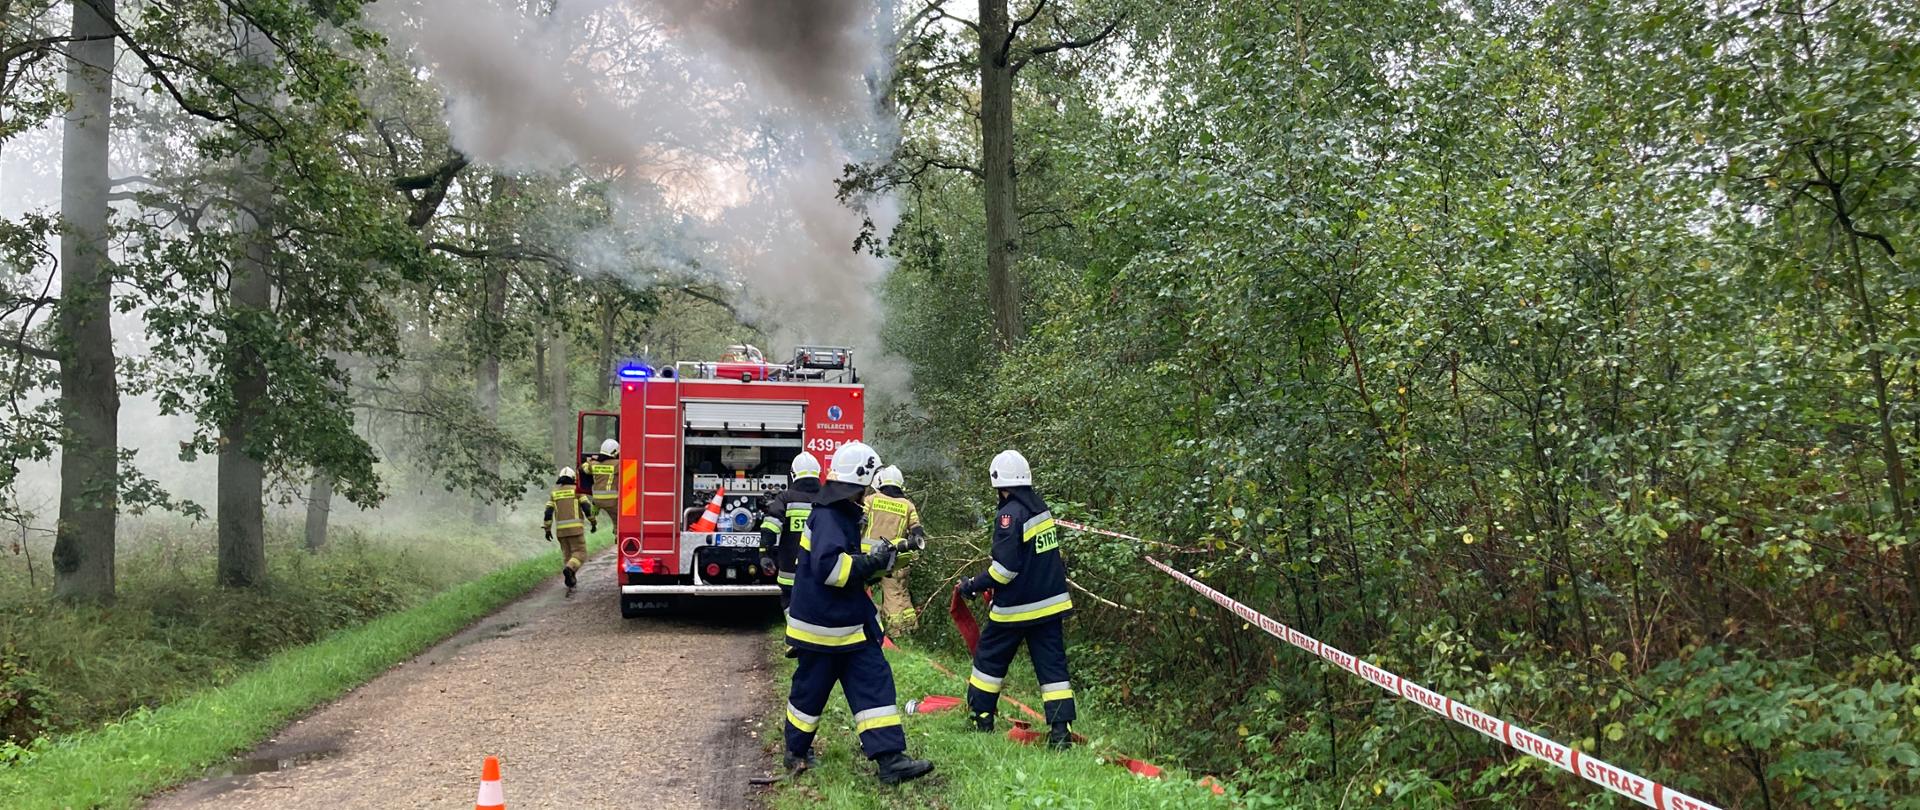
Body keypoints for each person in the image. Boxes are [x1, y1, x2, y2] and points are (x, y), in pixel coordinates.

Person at [783, 441, 934, 785]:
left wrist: (883, 559)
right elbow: (833, 570)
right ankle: (796, 751)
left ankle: (890, 760)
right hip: (823, 629)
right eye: (865, 487)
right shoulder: (830, 515)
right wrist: (872, 563)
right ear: (860, 482)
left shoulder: (839, 512)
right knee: (810, 694)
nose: (867, 494)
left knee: (874, 685)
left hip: (849, 624)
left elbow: (852, 559)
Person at [956, 450, 1076, 749]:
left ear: (999, 483)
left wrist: (972, 584)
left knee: (988, 661)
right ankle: (1061, 735)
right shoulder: (1041, 509)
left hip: (1016, 609)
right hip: (1050, 606)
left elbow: (1005, 570)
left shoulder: (1009, 514)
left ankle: (981, 718)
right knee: (1053, 672)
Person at [863, 465, 926, 631]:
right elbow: (917, 531)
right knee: (898, 594)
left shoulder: (871, 499)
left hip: (868, 556)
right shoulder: (907, 505)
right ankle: (908, 629)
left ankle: (894, 633)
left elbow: (859, 521)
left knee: (858, 591)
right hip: (896, 557)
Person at [759, 452, 822, 608]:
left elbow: (770, 528)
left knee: (791, 609)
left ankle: (793, 631)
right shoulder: (828, 499)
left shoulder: (785, 498)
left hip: (790, 573)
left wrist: (764, 554)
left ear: (794, 475)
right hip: (821, 572)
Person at [543, 467, 596, 591]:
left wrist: (547, 529)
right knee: (580, 554)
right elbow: (587, 508)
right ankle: (569, 570)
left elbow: (548, 513)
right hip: (575, 530)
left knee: (568, 556)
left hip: (561, 532)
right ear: (573, 478)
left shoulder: (554, 493)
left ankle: (571, 580)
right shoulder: (577, 491)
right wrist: (593, 522)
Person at [581, 439, 619, 528]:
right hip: (612, 501)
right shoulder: (617, 464)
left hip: (597, 500)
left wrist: (590, 460)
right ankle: (618, 535)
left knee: (614, 519)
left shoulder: (594, 464)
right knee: (619, 521)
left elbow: (584, 468)